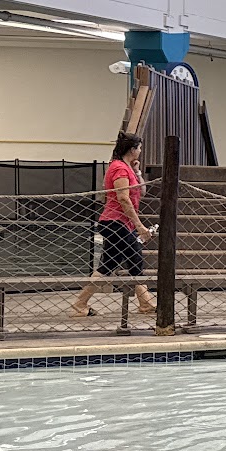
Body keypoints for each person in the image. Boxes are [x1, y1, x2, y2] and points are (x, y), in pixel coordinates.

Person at [74, 133, 155, 318]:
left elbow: (142, 192)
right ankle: (146, 303)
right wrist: (140, 226)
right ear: (132, 149)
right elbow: (123, 198)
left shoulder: (127, 168)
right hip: (115, 223)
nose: (140, 151)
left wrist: (137, 171)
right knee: (135, 259)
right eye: (139, 148)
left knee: (107, 266)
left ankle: (80, 304)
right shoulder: (119, 168)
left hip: (120, 224)